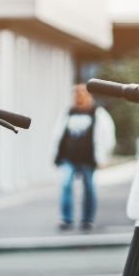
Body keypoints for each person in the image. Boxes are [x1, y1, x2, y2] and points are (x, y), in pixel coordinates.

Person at [53, 83, 115, 231]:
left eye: (82, 93)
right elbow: (57, 134)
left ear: (89, 96)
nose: (79, 97)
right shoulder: (67, 113)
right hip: (69, 158)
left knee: (89, 188)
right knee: (66, 184)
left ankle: (88, 220)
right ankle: (66, 219)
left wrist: (103, 156)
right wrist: (56, 154)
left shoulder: (98, 113)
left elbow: (108, 136)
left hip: (88, 159)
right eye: (76, 94)